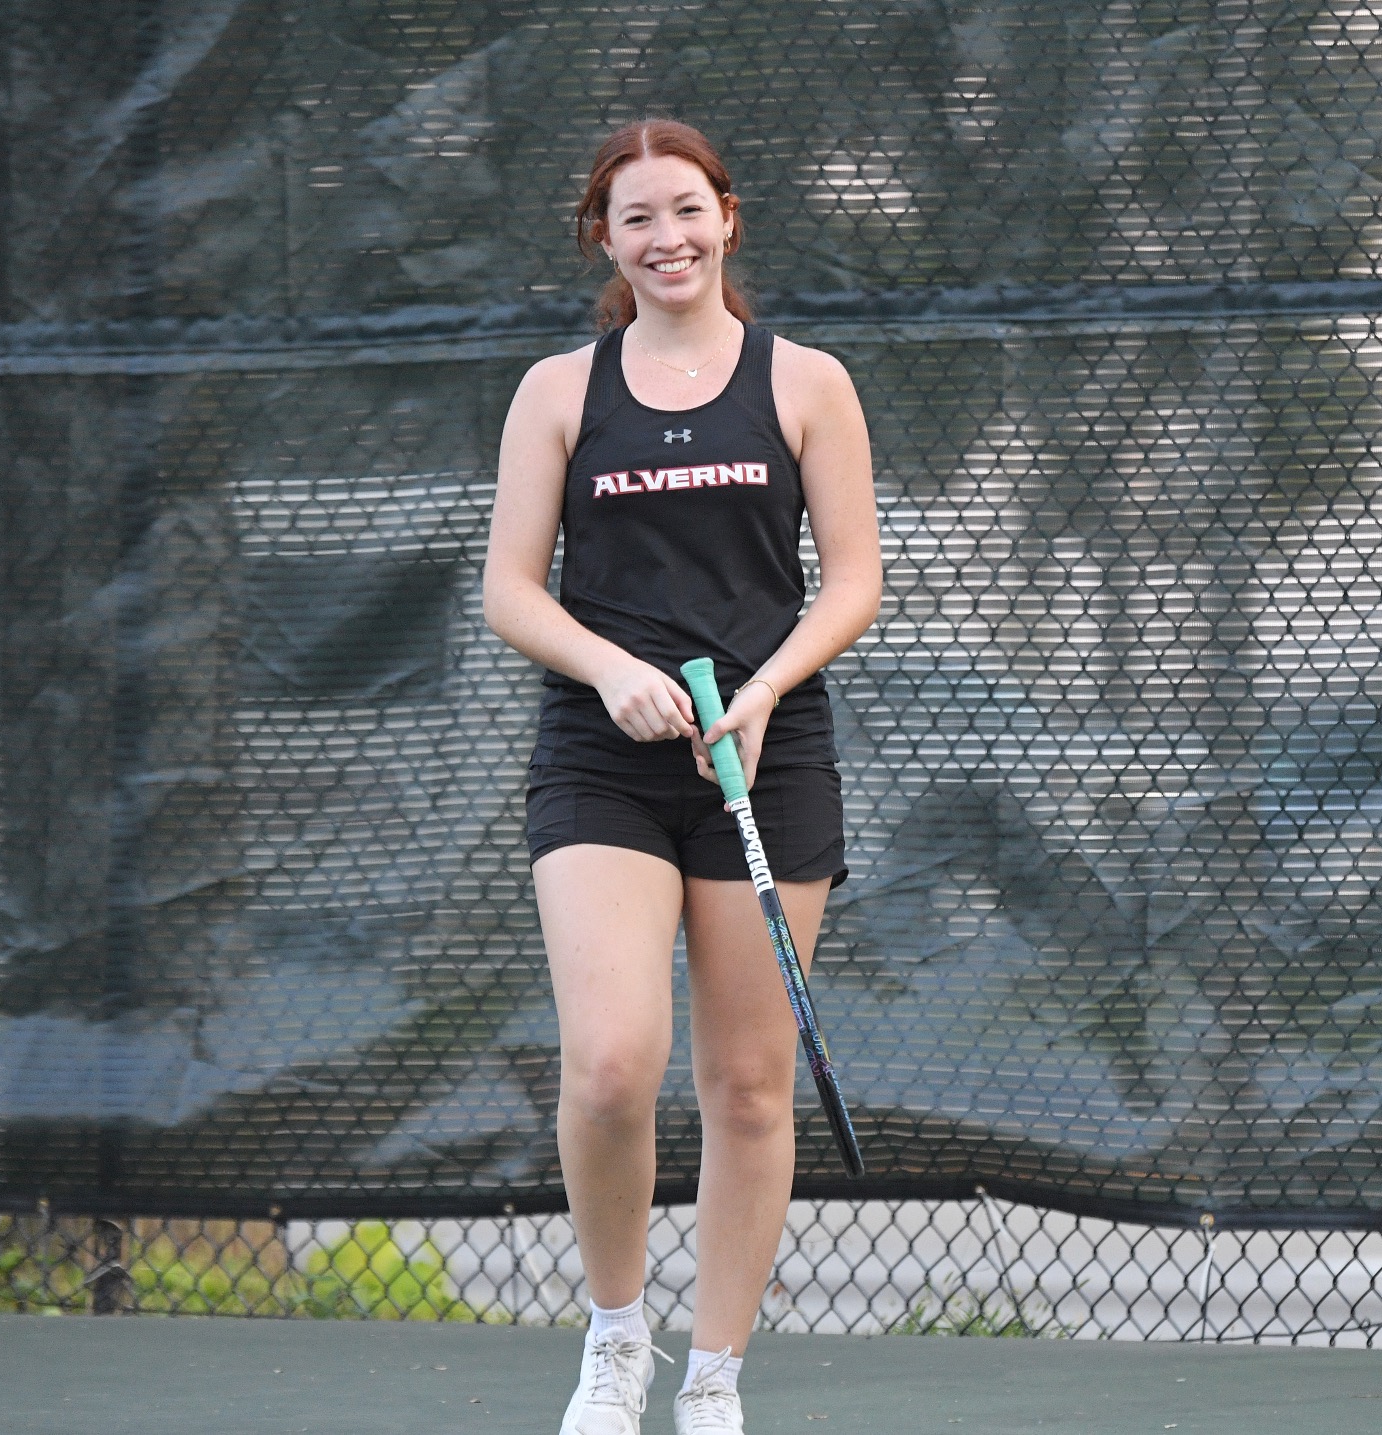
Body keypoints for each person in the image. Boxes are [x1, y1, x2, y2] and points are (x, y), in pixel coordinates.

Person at [481, 118, 882, 1435]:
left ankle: (714, 1375)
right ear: (606, 236)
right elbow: (507, 592)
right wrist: (608, 668)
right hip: (604, 756)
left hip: (769, 757)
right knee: (608, 1067)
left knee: (750, 1088)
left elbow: (857, 583)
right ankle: (614, 1343)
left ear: (728, 218)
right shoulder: (557, 392)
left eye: (687, 210)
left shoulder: (807, 381)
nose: (667, 239)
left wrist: (761, 692)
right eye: (637, 217)